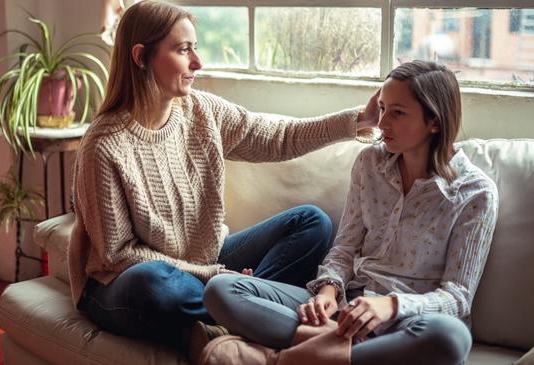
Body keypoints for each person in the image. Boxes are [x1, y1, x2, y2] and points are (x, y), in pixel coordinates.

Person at [68, 0, 377, 348]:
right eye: (184, 50)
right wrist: (211, 275)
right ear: (141, 57)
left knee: (311, 222)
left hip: (206, 266)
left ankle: (231, 317)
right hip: (120, 283)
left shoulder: (203, 111)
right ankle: (243, 312)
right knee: (153, 282)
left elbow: (279, 138)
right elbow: (119, 255)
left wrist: (357, 121)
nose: (197, 63)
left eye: (195, 48)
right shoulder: (104, 144)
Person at [203, 60, 499, 365]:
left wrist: (391, 306)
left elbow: (457, 297)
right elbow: (344, 247)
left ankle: (283, 358)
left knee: (451, 337)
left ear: (434, 121)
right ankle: (333, 355)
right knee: (222, 289)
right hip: (346, 307)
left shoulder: (475, 193)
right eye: (382, 109)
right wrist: (328, 291)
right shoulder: (369, 163)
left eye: (397, 113)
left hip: (405, 324)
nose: (382, 124)